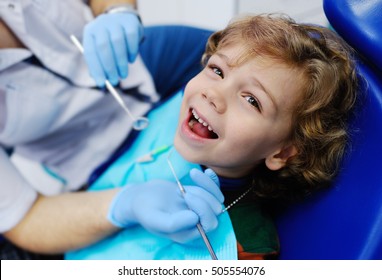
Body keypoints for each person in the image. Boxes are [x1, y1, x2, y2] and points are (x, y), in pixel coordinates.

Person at [65, 14, 360, 260]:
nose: (213, 93)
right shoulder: (170, 109)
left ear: (281, 153)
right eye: (217, 70)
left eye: (252, 100)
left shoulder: (247, 246)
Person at [0, 0, 221, 259]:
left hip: (143, 62)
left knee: (249, 64)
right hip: (93, 154)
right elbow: (24, 218)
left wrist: (116, 10)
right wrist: (125, 204)